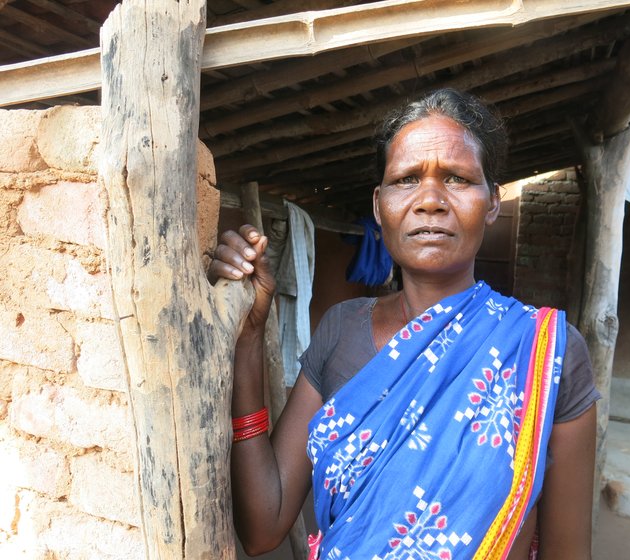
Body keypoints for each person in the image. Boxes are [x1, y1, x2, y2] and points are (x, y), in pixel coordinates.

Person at [209, 88, 599, 560]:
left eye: (456, 178)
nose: (430, 200)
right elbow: (263, 528)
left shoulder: (543, 351)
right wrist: (249, 339)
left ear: (493, 202)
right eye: (406, 179)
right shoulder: (340, 330)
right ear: (379, 206)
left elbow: (567, 551)